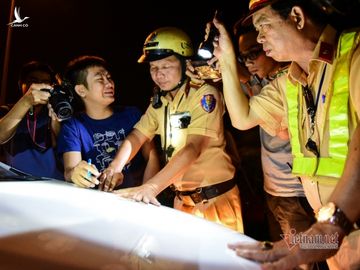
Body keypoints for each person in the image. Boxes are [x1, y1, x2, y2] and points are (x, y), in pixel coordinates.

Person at [211, 0, 360, 268]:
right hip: (333, 232)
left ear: (297, 17)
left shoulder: (355, 54)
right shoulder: (289, 81)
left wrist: (331, 226)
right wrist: (226, 60)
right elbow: (242, 118)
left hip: (341, 225)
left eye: (264, 25)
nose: (259, 37)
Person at [100, 27, 244, 232]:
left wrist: (151, 187)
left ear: (186, 64)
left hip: (214, 201)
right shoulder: (161, 101)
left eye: (166, 65)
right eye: (153, 68)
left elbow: (193, 148)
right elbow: (137, 136)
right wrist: (114, 167)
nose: (159, 74)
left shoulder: (204, 95)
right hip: (183, 201)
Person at [56, 55, 160, 190]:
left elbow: (152, 157)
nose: (109, 84)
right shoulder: (73, 126)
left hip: (134, 198)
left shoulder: (132, 114)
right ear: (81, 90)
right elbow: (70, 170)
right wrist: (76, 174)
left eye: (109, 78)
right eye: (100, 79)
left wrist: (146, 191)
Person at [0, 61, 64, 179]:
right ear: (21, 84)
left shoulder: (56, 109)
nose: (40, 86)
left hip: (53, 183)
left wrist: (57, 120)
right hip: (16, 182)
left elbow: (66, 145)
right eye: (33, 81)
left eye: (45, 82)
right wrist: (26, 102)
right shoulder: (8, 110)